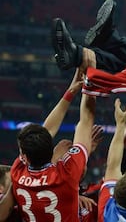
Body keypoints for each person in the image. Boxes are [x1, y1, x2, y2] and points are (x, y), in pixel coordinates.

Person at [10, 73, 96, 221]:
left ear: (24, 157)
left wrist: (73, 91)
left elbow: (47, 131)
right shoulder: (66, 174)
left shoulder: (17, 173)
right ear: (51, 148)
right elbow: (85, 122)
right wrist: (89, 86)